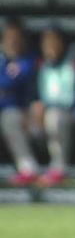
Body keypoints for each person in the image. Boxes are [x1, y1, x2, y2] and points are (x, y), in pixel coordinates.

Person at [29, 27, 75, 186]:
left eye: (54, 41)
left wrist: (48, 107)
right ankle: (28, 169)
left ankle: (58, 168)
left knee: (54, 116)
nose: (50, 45)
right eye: (46, 42)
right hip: (43, 118)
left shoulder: (73, 64)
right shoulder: (41, 66)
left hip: (71, 114)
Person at [0, 22, 39, 186]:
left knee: (10, 118)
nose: (12, 41)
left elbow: (13, 82)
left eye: (16, 38)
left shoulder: (29, 60)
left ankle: (28, 168)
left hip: (23, 112)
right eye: (9, 38)